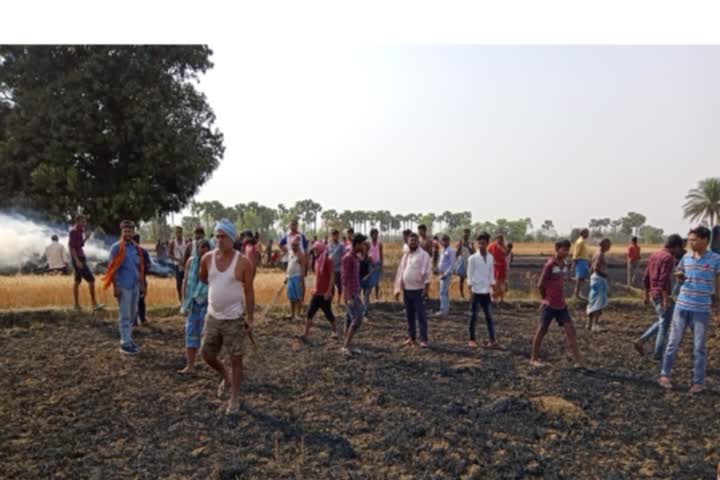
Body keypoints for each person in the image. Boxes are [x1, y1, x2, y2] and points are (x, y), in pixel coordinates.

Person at [199, 219, 255, 414]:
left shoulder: (243, 263)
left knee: (236, 359)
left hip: (234, 318)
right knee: (206, 354)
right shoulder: (207, 258)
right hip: (213, 316)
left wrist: (250, 318)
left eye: (223, 236)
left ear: (232, 238)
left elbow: (249, 292)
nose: (219, 240)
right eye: (217, 236)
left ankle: (234, 397)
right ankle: (225, 374)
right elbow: (204, 277)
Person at [659, 226, 720, 394]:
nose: (690, 243)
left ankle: (698, 382)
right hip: (682, 305)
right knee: (673, 342)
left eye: (693, 240)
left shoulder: (716, 259)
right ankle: (664, 375)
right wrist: (679, 275)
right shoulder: (686, 257)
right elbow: (679, 272)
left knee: (699, 346)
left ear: (704, 240)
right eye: (690, 239)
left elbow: (718, 282)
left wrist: (717, 303)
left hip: (701, 309)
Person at [530, 239, 584, 368]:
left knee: (571, 331)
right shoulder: (550, 265)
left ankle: (580, 362)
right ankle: (533, 359)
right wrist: (545, 299)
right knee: (542, 330)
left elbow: (561, 278)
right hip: (549, 304)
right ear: (557, 249)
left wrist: (570, 279)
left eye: (567, 250)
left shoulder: (564, 264)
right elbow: (540, 285)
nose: (566, 252)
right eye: (564, 249)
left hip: (561, 305)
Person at [632, 234, 685, 360]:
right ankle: (658, 354)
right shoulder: (668, 258)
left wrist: (646, 295)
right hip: (661, 295)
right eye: (679, 248)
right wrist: (666, 299)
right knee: (664, 324)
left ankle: (641, 341)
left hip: (654, 294)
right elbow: (663, 280)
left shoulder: (655, 254)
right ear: (676, 246)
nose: (679, 251)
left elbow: (646, 276)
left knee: (663, 320)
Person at [102, 220, 145, 355]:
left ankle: (129, 338)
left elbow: (140, 267)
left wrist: (142, 284)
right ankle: (124, 343)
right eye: (125, 231)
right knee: (125, 315)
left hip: (134, 286)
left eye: (130, 231)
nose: (128, 233)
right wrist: (116, 287)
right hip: (123, 286)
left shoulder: (136, 248)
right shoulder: (116, 248)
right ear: (122, 232)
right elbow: (112, 269)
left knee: (133, 314)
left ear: (133, 232)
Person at [178, 239, 212, 374]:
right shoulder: (191, 262)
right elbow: (186, 281)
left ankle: (212, 366)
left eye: (206, 247)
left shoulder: (213, 262)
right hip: (193, 304)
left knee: (209, 336)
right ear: (196, 249)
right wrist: (183, 302)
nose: (203, 250)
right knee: (191, 333)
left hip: (208, 303)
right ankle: (190, 366)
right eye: (201, 247)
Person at [394, 233, 432, 348]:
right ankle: (411, 337)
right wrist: (397, 288)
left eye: (415, 241)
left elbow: (428, 273)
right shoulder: (406, 255)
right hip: (407, 290)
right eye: (411, 241)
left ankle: (424, 339)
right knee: (409, 315)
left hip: (418, 290)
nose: (413, 242)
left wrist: (426, 289)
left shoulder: (424, 255)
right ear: (408, 242)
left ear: (418, 242)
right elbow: (400, 271)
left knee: (421, 315)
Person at [300, 241, 338, 339]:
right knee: (309, 313)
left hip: (325, 293)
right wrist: (313, 288)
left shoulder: (328, 260)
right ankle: (305, 333)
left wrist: (329, 291)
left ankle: (335, 332)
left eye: (316, 249)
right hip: (317, 293)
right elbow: (317, 276)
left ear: (321, 249)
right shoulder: (317, 261)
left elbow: (332, 276)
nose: (315, 251)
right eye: (314, 250)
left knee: (328, 313)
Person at [466, 232, 498, 348]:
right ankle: (471, 339)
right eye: (479, 244)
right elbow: (469, 275)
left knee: (489, 316)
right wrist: (470, 290)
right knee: (473, 316)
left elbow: (491, 275)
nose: (481, 246)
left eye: (483, 244)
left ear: (487, 244)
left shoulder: (490, 257)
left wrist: (493, 289)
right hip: (476, 291)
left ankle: (492, 340)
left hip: (486, 292)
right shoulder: (472, 258)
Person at [68, 214, 104, 311]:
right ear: (77, 221)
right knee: (91, 280)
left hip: (80, 258)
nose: (84, 223)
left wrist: (86, 238)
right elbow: (71, 247)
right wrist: (77, 261)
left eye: (85, 221)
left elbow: (79, 245)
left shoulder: (80, 231)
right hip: (78, 259)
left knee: (77, 281)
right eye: (83, 221)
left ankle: (76, 305)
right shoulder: (74, 231)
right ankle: (94, 304)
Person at [341, 233, 367, 356]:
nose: (364, 246)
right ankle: (345, 346)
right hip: (350, 294)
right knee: (357, 319)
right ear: (356, 244)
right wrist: (348, 297)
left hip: (355, 292)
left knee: (349, 318)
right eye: (362, 244)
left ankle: (347, 344)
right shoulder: (348, 258)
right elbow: (344, 279)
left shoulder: (356, 258)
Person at [586, 238, 612, 332]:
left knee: (593, 301)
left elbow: (592, 267)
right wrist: (605, 275)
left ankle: (589, 324)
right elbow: (596, 267)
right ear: (604, 245)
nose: (610, 246)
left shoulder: (597, 253)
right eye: (609, 244)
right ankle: (595, 325)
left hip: (595, 278)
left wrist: (591, 277)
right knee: (598, 302)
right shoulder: (600, 254)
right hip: (599, 279)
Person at [132, 234, 152, 326]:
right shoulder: (143, 251)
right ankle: (143, 319)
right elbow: (148, 265)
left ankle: (134, 321)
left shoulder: (128, 251)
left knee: (132, 300)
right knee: (141, 299)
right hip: (141, 279)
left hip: (130, 279)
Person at [286, 236, 306, 321]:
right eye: (292, 245)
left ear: (298, 245)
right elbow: (289, 264)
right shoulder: (290, 253)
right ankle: (292, 314)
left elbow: (303, 267)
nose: (294, 247)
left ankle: (298, 314)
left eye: (296, 245)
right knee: (291, 297)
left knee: (298, 297)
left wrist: (302, 279)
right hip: (289, 277)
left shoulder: (301, 254)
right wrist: (286, 276)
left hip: (297, 277)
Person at [435, 234, 456, 317]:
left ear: (448, 241)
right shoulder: (442, 250)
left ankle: (443, 310)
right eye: (443, 241)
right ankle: (446, 309)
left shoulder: (451, 251)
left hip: (446, 274)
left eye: (446, 240)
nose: (444, 242)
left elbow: (452, 264)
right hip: (442, 273)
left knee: (442, 292)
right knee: (445, 292)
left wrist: (446, 273)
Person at [169, 226, 189, 303]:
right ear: (175, 233)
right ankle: (181, 300)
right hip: (177, 265)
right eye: (177, 232)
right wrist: (177, 259)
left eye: (180, 232)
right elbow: (169, 254)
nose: (178, 234)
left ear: (182, 233)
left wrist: (185, 260)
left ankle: (187, 299)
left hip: (186, 265)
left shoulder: (186, 241)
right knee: (179, 284)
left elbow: (189, 252)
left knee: (187, 283)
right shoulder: (172, 243)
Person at [487, 233, 509, 304]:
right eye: (499, 238)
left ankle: (501, 299)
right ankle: (494, 297)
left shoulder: (504, 246)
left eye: (501, 238)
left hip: (502, 267)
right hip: (494, 266)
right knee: (495, 283)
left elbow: (506, 254)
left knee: (501, 283)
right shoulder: (492, 245)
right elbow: (487, 253)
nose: (500, 240)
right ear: (496, 239)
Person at [571, 228, 591, 300]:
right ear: (583, 233)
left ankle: (578, 294)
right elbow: (576, 254)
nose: (588, 234)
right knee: (579, 279)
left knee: (582, 278)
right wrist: (574, 263)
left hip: (584, 262)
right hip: (580, 261)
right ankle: (576, 295)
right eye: (587, 233)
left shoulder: (582, 241)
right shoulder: (580, 242)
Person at [327, 229, 345, 304]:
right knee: (331, 286)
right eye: (334, 235)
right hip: (331, 269)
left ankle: (338, 301)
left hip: (338, 269)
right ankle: (332, 301)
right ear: (332, 236)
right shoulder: (329, 245)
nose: (336, 237)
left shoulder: (341, 245)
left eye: (337, 235)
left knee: (339, 285)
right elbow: (327, 255)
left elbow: (344, 255)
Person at [455, 229, 473, 299]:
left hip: (469, 263)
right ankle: (462, 295)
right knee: (461, 280)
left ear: (469, 235)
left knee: (470, 280)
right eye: (464, 234)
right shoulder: (459, 243)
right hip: (462, 263)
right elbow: (457, 254)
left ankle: (471, 295)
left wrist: (468, 246)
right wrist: (460, 245)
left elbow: (473, 253)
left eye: (467, 234)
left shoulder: (471, 243)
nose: (466, 235)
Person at [367, 228, 384, 301]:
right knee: (370, 281)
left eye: (377, 234)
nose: (376, 235)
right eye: (374, 234)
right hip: (370, 264)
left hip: (377, 264)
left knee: (376, 282)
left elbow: (381, 254)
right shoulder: (368, 243)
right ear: (371, 235)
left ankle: (376, 298)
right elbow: (367, 253)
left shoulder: (379, 244)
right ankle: (368, 297)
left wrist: (381, 265)